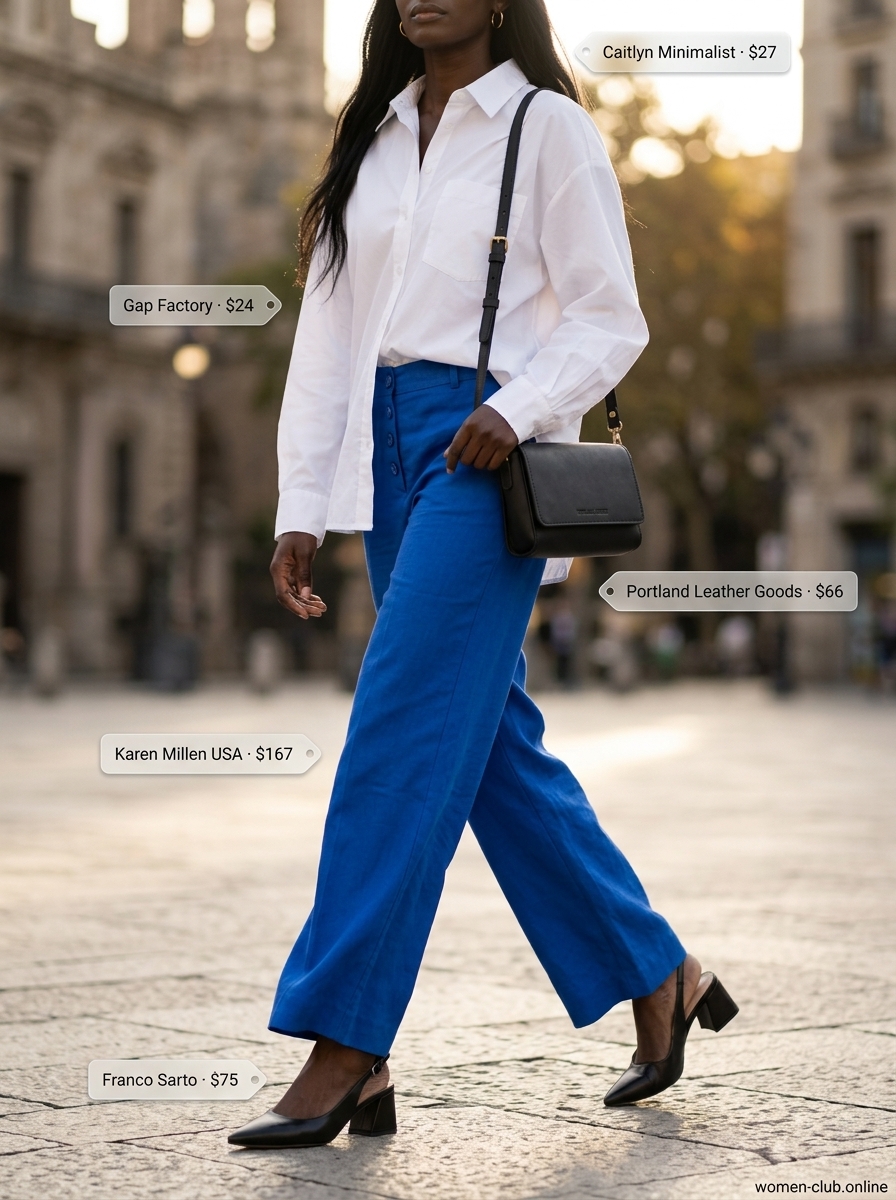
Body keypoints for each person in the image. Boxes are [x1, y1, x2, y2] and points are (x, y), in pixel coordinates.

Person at [229, 0, 737, 1150]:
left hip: (480, 448)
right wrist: (302, 501)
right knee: (487, 741)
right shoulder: (370, 137)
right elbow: (327, 333)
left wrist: (512, 412)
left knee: (399, 724)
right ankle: (655, 970)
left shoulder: (544, 126)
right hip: (380, 437)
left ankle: (346, 1044)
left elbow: (610, 318)